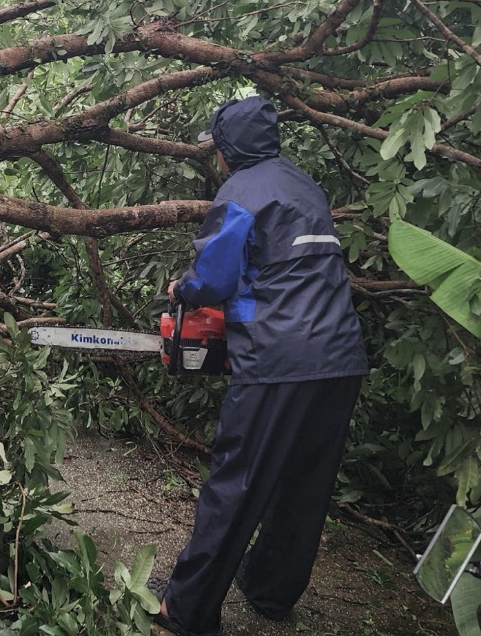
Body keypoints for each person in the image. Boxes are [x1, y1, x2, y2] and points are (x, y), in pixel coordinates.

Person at [153, 95, 369, 636]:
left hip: (279, 361)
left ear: (226, 151)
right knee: (304, 486)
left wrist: (185, 288)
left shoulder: (240, 193)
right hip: (340, 358)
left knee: (236, 484)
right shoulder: (304, 185)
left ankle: (186, 612)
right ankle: (270, 592)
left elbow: (216, 278)